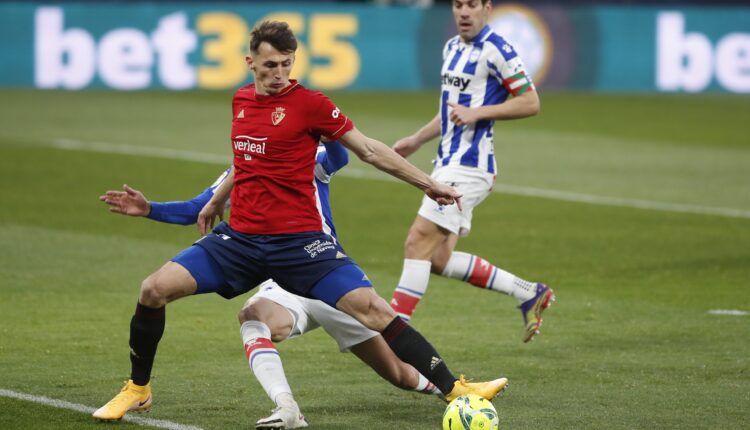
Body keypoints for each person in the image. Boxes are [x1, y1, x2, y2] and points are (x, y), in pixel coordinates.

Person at [93, 20, 506, 424]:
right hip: (240, 241)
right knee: (152, 290)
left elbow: (368, 150)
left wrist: (427, 183)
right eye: (270, 65)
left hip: (300, 244)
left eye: (287, 64)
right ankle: (138, 389)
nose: (279, 74)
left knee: (373, 309)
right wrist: (216, 200)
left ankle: (456, 389)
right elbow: (244, 158)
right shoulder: (240, 102)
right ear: (249, 62)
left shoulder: (311, 104)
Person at [99, 143, 440, 429]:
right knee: (253, 318)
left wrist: (328, 130)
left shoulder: (310, 154)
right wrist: (149, 209)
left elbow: (339, 158)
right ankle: (287, 407)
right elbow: (197, 209)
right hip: (283, 283)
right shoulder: (240, 168)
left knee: (400, 375)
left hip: (326, 274)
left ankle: (452, 389)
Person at [389, 0, 554, 343]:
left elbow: (531, 101)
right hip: (447, 161)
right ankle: (528, 292)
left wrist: (478, 112)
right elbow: (451, 111)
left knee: (417, 240)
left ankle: (393, 332)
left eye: (472, 4)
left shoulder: (497, 50)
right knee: (437, 258)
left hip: (471, 167)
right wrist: (417, 139)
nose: (464, 12)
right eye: (458, 4)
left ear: (487, 8)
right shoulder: (451, 47)